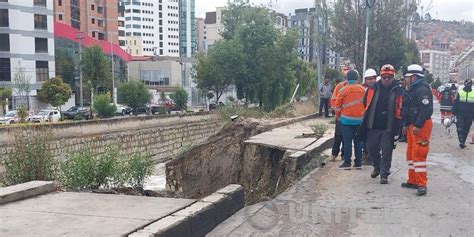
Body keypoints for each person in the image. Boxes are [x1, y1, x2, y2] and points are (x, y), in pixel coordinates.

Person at [359, 64, 404, 184]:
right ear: (381, 76)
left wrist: (400, 127)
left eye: (389, 77)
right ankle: (377, 166)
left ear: (393, 77)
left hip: (389, 127)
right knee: (371, 148)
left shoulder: (398, 90)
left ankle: (384, 174)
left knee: (387, 151)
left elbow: (401, 108)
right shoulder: (372, 89)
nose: (387, 79)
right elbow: (365, 103)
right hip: (372, 125)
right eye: (384, 77)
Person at [401, 64, 433, 196]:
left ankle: (421, 184)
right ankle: (413, 180)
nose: (405, 80)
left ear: (413, 77)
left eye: (407, 77)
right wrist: (405, 125)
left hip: (420, 126)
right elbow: (407, 109)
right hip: (411, 126)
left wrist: (418, 125)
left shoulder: (422, 90)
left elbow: (426, 109)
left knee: (419, 154)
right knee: (411, 154)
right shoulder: (412, 89)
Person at [335, 70, 366, 170]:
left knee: (347, 142)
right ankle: (358, 163)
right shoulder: (363, 90)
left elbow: (338, 106)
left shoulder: (343, 90)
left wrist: (338, 117)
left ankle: (347, 163)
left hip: (346, 121)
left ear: (347, 78)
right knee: (358, 142)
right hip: (360, 121)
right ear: (357, 78)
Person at [361, 69, 378, 165]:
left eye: (372, 79)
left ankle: (372, 157)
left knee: (374, 141)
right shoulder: (364, 90)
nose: (370, 81)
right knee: (365, 139)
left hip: (374, 120)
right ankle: (366, 155)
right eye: (368, 79)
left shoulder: (378, 89)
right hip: (365, 118)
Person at [452, 78, 474, 149]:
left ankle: (463, 142)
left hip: (470, 114)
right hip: (460, 113)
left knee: (466, 128)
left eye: (470, 84)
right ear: (465, 84)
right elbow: (455, 102)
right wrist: (453, 112)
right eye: (467, 83)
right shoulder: (460, 92)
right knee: (460, 127)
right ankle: (461, 141)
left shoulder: (473, 93)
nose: (468, 85)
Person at [330, 78, 348, 161]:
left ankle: (344, 154)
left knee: (346, 137)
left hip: (348, 117)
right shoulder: (340, 86)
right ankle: (334, 153)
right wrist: (337, 113)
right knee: (338, 136)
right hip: (340, 116)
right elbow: (334, 100)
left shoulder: (356, 88)